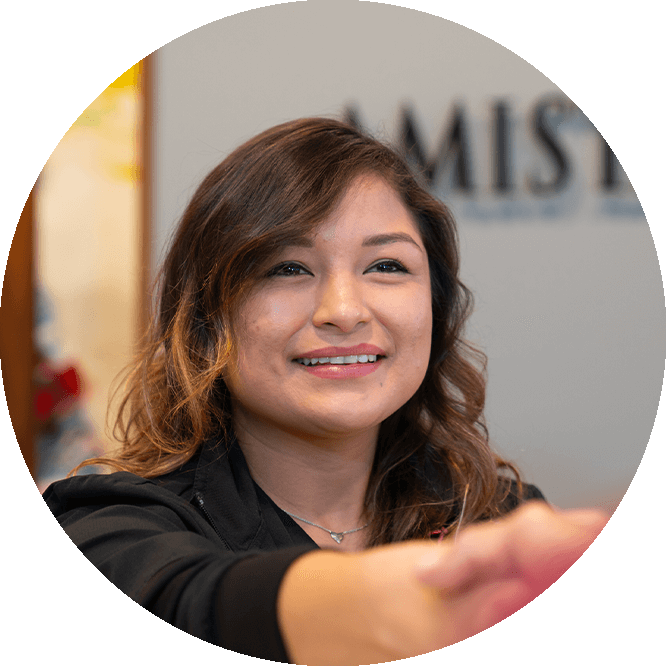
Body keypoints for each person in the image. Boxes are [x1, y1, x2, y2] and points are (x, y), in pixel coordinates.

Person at [43, 117, 607, 663]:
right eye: (287, 269)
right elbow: (190, 601)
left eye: (386, 265)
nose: (343, 311)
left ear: (435, 310)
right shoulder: (111, 526)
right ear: (207, 316)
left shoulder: (498, 517)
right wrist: (425, 604)